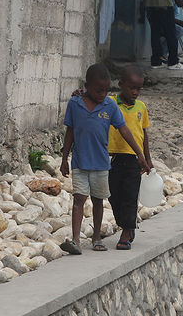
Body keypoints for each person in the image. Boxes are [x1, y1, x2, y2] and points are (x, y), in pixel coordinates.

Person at [60, 64, 150, 254]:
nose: (102, 94)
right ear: (87, 86)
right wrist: (63, 158)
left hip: (108, 162)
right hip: (86, 161)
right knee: (81, 199)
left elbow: (126, 130)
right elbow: (70, 132)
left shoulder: (110, 106)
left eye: (105, 90)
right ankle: (75, 240)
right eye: (98, 90)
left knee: (106, 199)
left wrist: (140, 155)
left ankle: (106, 235)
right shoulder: (76, 104)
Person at [108, 65, 152, 250]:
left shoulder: (141, 107)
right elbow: (92, 100)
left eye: (138, 88)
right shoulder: (110, 103)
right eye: (131, 87)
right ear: (121, 85)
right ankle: (124, 223)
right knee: (113, 194)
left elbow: (144, 134)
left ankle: (127, 231)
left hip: (134, 159)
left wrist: (147, 158)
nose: (135, 92)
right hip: (114, 158)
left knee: (130, 195)